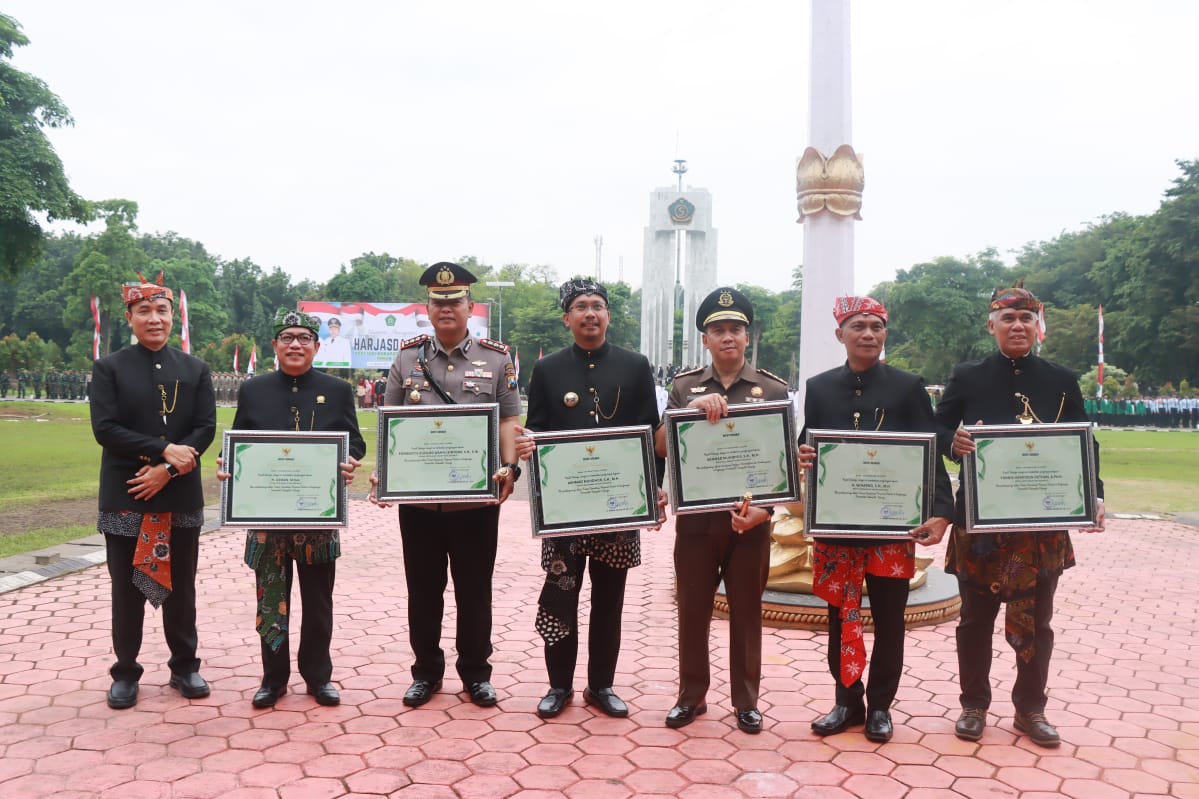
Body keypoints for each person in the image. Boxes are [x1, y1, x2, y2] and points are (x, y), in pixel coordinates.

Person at [935, 284, 1105, 748]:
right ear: (992, 326)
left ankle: (1031, 709)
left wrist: (1095, 495)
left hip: (1040, 524)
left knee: (1037, 621)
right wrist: (955, 440)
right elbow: (937, 427)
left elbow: (1083, 442)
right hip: (982, 524)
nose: (1017, 326)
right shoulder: (968, 376)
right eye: (1007, 319)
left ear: (1038, 327)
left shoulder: (1061, 380)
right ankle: (974, 705)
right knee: (974, 621)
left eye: (1025, 319)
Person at [797, 296, 953, 742]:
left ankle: (880, 706)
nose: (869, 334)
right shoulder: (820, 386)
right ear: (840, 334)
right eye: (859, 326)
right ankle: (846, 701)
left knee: (889, 618)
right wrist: (803, 453)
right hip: (838, 525)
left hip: (891, 527)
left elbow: (930, 452)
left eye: (877, 327)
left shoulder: (907, 386)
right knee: (839, 615)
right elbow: (810, 444)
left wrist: (942, 512)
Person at [367, 262, 521, 708]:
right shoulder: (406, 357)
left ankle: (476, 672)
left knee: (475, 590)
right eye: (439, 302)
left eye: (455, 301)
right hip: (419, 504)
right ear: (428, 309)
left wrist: (510, 468)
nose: (447, 307)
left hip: (475, 504)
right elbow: (389, 424)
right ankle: (426, 672)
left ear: (470, 307)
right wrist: (384, 472)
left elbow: (509, 419)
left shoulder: (496, 358)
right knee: (423, 589)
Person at [515, 277, 665, 719]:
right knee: (562, 592)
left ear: (608, 316)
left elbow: (647, 433)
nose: (590, 314)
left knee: (609, 600)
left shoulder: (636, 365)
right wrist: (528, 450)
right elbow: (537, 429)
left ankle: (601, 686)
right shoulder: (548, 369)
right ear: (567, 318)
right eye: (580, 307)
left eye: (597, 306)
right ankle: (558, 686)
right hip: (566, 507)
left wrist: (652, 486)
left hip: (618, 506)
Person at [653, 288, 789, 734]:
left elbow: (783, 465)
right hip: (697, 521)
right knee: (693, 609)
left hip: (749, 521)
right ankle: (691, 697)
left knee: (748, 612)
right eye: (717, 330)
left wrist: (764, 513)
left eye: (735, 329)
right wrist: (689, 410)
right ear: (705, 340)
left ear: (747, 337)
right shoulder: (683, 387)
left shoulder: (772, 389)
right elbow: (660, 445)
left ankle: (746, 702)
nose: (727, 337)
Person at [222, 308, 366, 708]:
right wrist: (227, 464)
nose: (296, 345)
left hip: (317, 513)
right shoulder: (254, 389)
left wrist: (348, 460)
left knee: (319, 601)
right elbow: (237, 442)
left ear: (317, 346)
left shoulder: (337, 390)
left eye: (304, 338)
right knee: (271, 597)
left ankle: (319, 678)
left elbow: (354, 442)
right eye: (287, 338)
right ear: (275, 346)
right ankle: (273, 678)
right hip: (266, 515)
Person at [89, 272, 217, 709]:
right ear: (130, 318)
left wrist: (167, 469)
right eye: (144, 310)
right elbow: (105, 429)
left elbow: (205, 428)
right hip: (127, 492)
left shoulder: (195, 369)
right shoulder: (109, 368)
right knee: (125, 587)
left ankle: (185, 665)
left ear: (172, 317)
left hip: (178, 492)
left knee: (182, 586)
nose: (155, 318)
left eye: (161, 310)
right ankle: (125, 671)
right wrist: (162, 449)